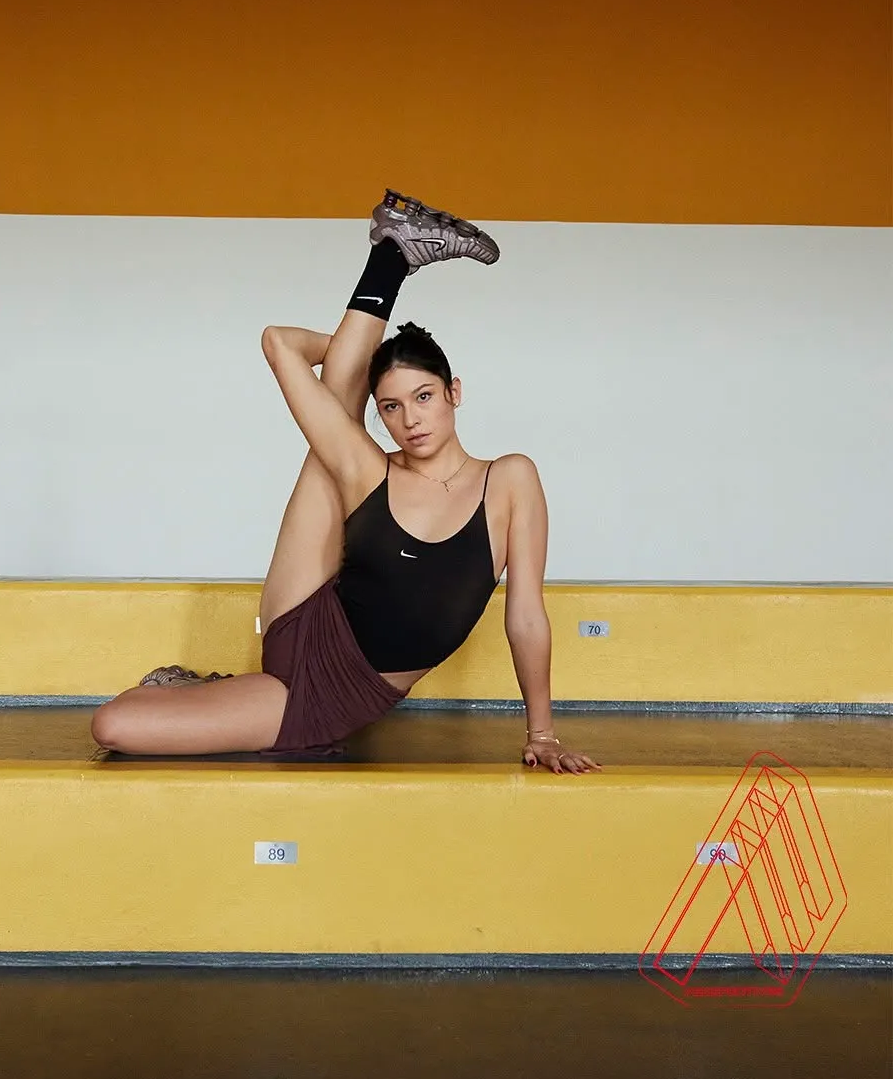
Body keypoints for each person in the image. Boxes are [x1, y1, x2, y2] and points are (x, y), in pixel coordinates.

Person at [92, 190, 599, 774]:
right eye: (390, 406)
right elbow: (278, 342)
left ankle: (395, 248)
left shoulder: (510, 480)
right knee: (339, 400)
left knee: (114, 722)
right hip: (303, 617)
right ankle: (395, 254)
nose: (410, 419)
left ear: (455, 392)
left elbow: (526, 615)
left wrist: (543, 733)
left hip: (331, 696)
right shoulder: (370, 469)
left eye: (425, 397)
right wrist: (373, 367)